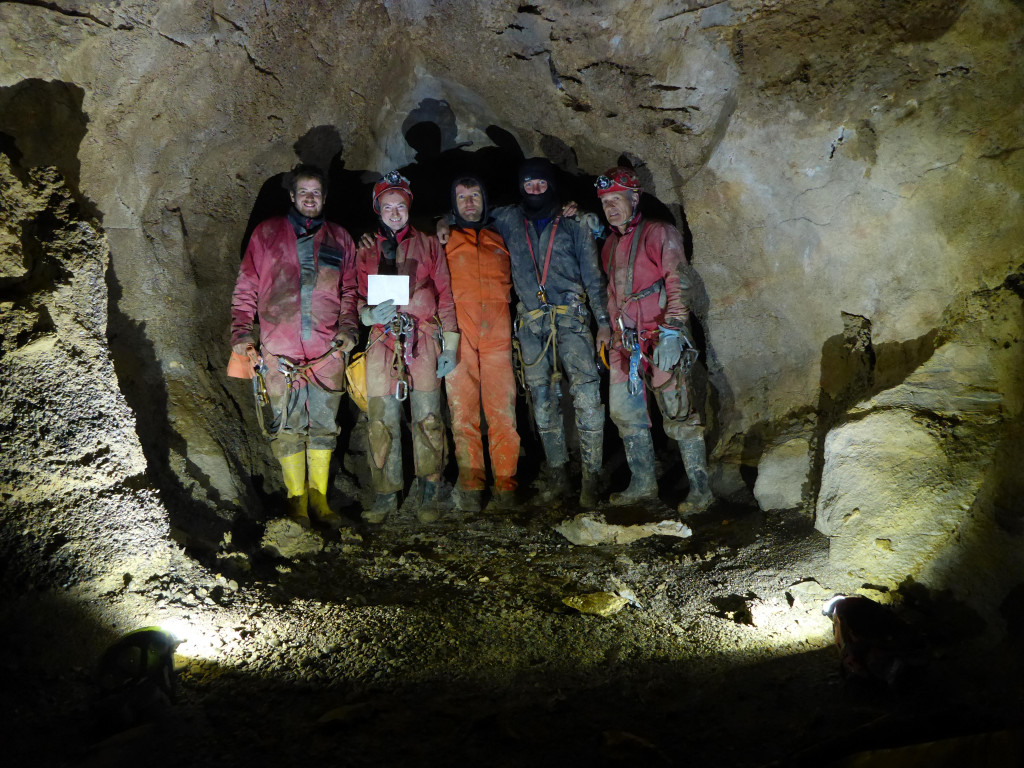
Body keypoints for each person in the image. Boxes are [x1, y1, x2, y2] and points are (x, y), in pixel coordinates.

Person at [442, 158, 610, 508]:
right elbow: (468, 214)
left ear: (552, 185)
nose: (535, 189)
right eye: (528, 183)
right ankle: (558, 475)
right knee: (542, 401)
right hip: (532, 324)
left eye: (541, 183)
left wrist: (604, 322)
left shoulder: (573, 222)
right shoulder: (508, 219)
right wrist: (442, 222)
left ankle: (591, 477)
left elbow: (595, 279)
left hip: (571, 319)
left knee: (587, 396)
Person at [230, 164, 359, 529]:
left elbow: (350, 290)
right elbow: (246, 286)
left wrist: (348, 327)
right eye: (303, 191)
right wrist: (242, 332)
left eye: (315, 192)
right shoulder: (267, 233)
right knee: (287, 425)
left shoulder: (340, 238)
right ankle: (296, 501)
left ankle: (320, 499)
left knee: (324, 424)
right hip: (279, 349)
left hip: (327, 350)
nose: (309, 198)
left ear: (324, 197)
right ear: (292, 196)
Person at [595, 166, 713, 515]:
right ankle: (643, 484)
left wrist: (674, 331)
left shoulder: (659, 233)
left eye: (616, 200)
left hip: (661, 336)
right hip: (626, 342)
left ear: (634, 198)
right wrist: (611, 331)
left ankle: (701, 490)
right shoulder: (609, 245)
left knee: (678, 411)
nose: (611, 207)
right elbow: (612, 293)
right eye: (605, 202)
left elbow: (678, 280)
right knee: (624, 412)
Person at [356, 171, 459, 524]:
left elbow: (445, 294)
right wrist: (366, 315)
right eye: (388, 207)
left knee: (428, 416)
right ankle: (386, 494)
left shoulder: (428, 243)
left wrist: (450, 343)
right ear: (378, 209)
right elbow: (354, 294)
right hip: (381, 339)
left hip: (423, 337)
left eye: (400, 206)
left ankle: (430, 490)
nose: (395, 212)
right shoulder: (365, 248)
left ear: (409, 207)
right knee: (380, 417)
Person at [443, 176, 519, 512]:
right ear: (453, 204)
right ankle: (472, 483)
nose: (469, 203)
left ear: (484, 199)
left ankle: (506, 483)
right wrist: (440, 223)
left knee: (503, 410)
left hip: (498, 334)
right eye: (462, 197)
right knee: (463, 411)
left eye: (474, 195)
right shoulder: (445, 239)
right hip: (460, 334)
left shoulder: (502, 236)